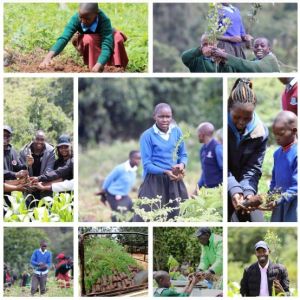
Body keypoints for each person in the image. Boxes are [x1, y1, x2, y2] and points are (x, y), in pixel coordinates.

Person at [133, 103, 188, 221]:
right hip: (154, 181)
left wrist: (182, 165)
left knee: (176, 215)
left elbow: (183, 154)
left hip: (174, 179)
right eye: (161, 116)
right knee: (148, 216)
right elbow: (147, 165)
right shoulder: (147, 136)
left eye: (168, 117)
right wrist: (165, 171)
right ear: (154, 116)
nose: (165, 120)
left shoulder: (177, 131)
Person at [39, 3, 128, 72]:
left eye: (87, 19)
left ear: (96, 14)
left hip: (102, 37)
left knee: (118, 38)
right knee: (88, 39)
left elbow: (107, 45)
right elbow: (64, 38)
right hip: (88, 40)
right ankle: (94, 67)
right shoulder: (76, 18)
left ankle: (117, 68)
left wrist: (99, 64)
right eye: (81, 17)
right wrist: (48, 58)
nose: (83, 21)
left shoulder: (104, 20)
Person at [228, 78, 268, 222]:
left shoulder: (260, 133)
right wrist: (234, 190)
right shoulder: (223, 129)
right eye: (236, 117)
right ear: (229, 109)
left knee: (256, 220)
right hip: (224, 185)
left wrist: (248, 193)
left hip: (246, 187)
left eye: (247, 118)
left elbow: (253, 168)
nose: (241, 122)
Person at [265, 111, 297, 222]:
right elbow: (274, 180)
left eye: (281, 133)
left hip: (294, 203)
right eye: (275, 134)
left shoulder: (296, 154)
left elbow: (297, 186)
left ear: (294, 131)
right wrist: (270, 196)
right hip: (278, 203)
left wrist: (280, 199)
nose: (277, 137)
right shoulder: (277, 154)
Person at [97, 150, 141, 221]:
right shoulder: (120, 168)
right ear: (130, 158)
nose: (139, 161)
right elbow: (108, 179)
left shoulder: (134, 170)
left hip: (124, 195)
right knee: (120, 214)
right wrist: (103, 192)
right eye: (137, 158)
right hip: (113, 194)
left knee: (139, 210)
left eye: (140, 159)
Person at [19, 130, 55, 204]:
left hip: (44, 186)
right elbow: (21, 170)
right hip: (29, 188)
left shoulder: (50, 150)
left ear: (45, 140)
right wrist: (30, 183)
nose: (39, 142)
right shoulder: (24, 151)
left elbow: (49, 170)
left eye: (42, 140)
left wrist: (40, 183)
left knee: (45, 212)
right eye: (37, 139)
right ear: (33, 139)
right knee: (30, 211)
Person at [212, 37, 280, 72]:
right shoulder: (255, 60)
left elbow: (251, 66)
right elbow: (242, 68)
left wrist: (225, 55)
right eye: (256, 46)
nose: (259, 48)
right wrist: (223, 60)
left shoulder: (271, 59)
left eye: (262, 46)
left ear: (269, 49)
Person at [196, 123, 223, 190]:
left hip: (218, 190)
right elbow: (204, 171)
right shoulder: (203, 149)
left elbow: (224, 170)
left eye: (198, 133)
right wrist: (198, 187)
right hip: (207, 189)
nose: (197, 135)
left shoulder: (217, 148)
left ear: (202, 134)